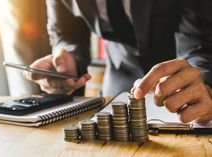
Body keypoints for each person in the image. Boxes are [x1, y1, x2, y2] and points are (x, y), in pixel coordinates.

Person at [24, 0, 212, 123]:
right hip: (118, 88)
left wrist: (204, 84)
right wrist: (66, 62)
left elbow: (199, 39)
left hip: (183, 84)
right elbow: (67, 34)